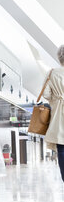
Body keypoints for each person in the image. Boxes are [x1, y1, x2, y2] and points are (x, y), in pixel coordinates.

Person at [42, 45, 64, 181]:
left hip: (58, 118)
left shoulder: (52, 73)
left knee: (61, 149)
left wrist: (56, 100)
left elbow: (46, 94)